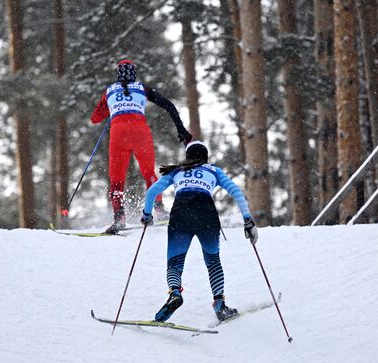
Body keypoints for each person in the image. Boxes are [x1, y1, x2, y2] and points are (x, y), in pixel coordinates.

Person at [140, 141, 258, 322]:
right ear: (206, 157)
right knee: (213, 262)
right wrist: (248, 221)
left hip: (181, 213)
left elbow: (152, 191)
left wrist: (147, 215)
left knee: (175, 263)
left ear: (187, 156)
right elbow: (236, 192)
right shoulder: (213, 170)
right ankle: (220, 305)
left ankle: (174, 293)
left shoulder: (177, 171)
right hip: (206, 214)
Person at [91, 59, 192, 234]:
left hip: (118, 134)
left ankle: (119, 217)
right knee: (148, 172)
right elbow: (169, 105)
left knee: (117, 179)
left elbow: (95, 118)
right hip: (140, 132)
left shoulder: (110, 91)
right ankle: (159, 210)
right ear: (134, 74)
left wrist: (111, 109)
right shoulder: (142, 88)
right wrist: (181, 129)